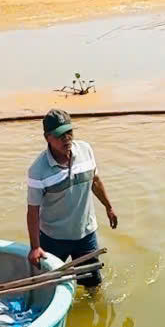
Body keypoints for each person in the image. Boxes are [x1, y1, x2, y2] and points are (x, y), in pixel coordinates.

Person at [26, 110, 117, 288]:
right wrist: (35, 247)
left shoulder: (85, 150)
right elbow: (33, 211)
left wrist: (109, 207)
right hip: (53, 238)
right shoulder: (37, 171)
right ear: (47, 138)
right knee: (49, 285)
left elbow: (95, 181)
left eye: (69, 132)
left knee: (92, 286)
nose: (66, 138)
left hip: (85, 234)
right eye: (60, 135)